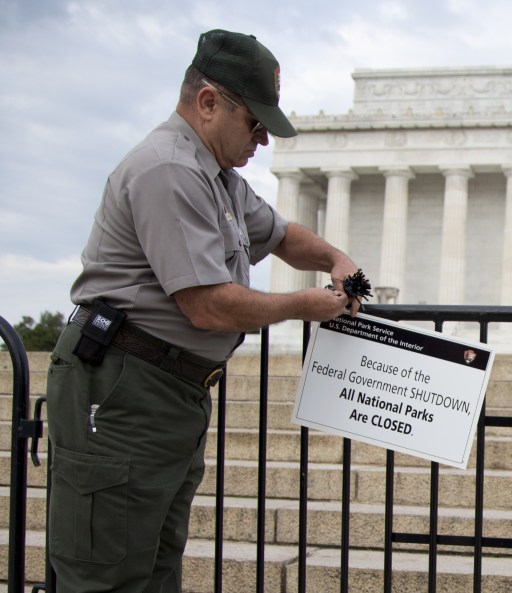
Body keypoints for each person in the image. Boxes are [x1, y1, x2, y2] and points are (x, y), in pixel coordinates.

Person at [44, 29, 363, 592]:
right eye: (255, 123)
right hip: (124, 384)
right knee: (108, 571)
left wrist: (335, 258)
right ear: (209, 102)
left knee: (155, 562)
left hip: (168, 390)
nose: (263, 140)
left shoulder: (218, 177)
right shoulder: (168, 169)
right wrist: (303, 305)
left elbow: (283, 235)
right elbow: (207, 305)